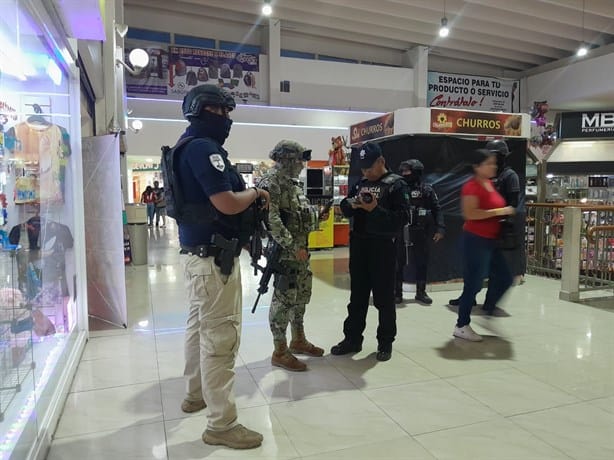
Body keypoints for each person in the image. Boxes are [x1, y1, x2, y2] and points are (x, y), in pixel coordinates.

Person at [174, 84, 269, 449]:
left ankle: (195, 394)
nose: (226, 118)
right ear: (200, 110)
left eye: (228, 111)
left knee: (198, 329)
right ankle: (221, 424)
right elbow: (228, 203)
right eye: (219, 111)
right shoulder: (203, 149)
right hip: (215, 262)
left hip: (198, 257)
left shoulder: (188, 145)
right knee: (220, 339)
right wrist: (257, 194)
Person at [331, 142, 410, 361]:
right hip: (359, 246)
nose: (365, 172)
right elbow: (346, 209)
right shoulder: (361, 183)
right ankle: (352, 339)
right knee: (357, 297)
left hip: (383, 248)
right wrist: (351, 204)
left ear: (381, 162)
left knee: (384, 299)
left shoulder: (396, 185)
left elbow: (401, 220)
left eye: (369, 168)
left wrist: (375, 209)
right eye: (362, 169)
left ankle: (385, 343)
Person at [258, 140, 327, 372]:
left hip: (301, 252)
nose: (302, 164)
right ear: (286, 159)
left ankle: (298, 339)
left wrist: (318, 216)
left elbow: (299, 213)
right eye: (298, 159)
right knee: (283, 301)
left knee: (301, 297)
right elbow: (272, 220)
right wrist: (290, 245)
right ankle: (280, 350)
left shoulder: (292, 183)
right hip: (285, 254)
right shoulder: (271, 183)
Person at [449, 139, 522, 309]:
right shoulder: (485, 178)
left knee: (498, 274)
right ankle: (469, 298)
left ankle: (489, 303)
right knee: (474, 272)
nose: (492, 163)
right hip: (480, 230)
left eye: (495, 158)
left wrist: (502, 220)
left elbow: (512, 204)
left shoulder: (509, 176)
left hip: (497, 230)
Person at [453, 149, 515, 341]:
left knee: (505, 277)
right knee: (473, 284)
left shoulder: (489, 183)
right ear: (477, 167)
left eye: (494, 163)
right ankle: (461, 325)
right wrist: (500, 211)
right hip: (475, 240)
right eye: (489, 163)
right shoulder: (471, 187)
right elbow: (470, 214)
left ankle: (488, 311)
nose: (493, 166)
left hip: (490, 240)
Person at [394, 159, 445, 305]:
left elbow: (437, 209)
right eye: (402, 171)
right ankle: (397, 293)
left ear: (416, 172)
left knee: (422, 262)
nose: (404, 174)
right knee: (399, 261)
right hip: (401, 231)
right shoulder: (398, 188)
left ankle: (421, 292)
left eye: (407, 171)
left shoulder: (426, 189)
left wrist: (440, 229)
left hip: (421, 231)